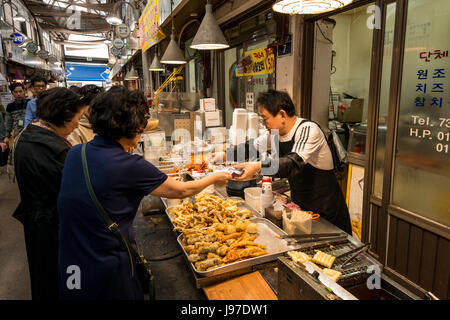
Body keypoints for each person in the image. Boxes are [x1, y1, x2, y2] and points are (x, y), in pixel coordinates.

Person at [57, 86, 231, 300]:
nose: (141, 132)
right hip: (108, 265)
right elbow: (181, 190)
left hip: (71, 262)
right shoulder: (128, 165)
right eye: (141, 126)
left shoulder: (76, 153)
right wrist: (215, 177)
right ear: (130, 126)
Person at [234, 90, 352, 234]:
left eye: (265, 119)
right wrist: (221, 155)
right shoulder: (276, 134)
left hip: (326, 213)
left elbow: (292, 163)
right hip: (300, 210)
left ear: (282, 115)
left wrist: (258, 166)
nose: (264, 124)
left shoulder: (308, 130)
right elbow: (251, 147)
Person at [13, 87, 85, 300]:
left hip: (41, 223)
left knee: (46, 278)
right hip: (52, 229)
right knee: (63, 281)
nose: (78, 124)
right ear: (63, 114)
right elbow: (74, 192)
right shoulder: (49, 147)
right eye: (76, 118)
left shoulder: (32, 134)